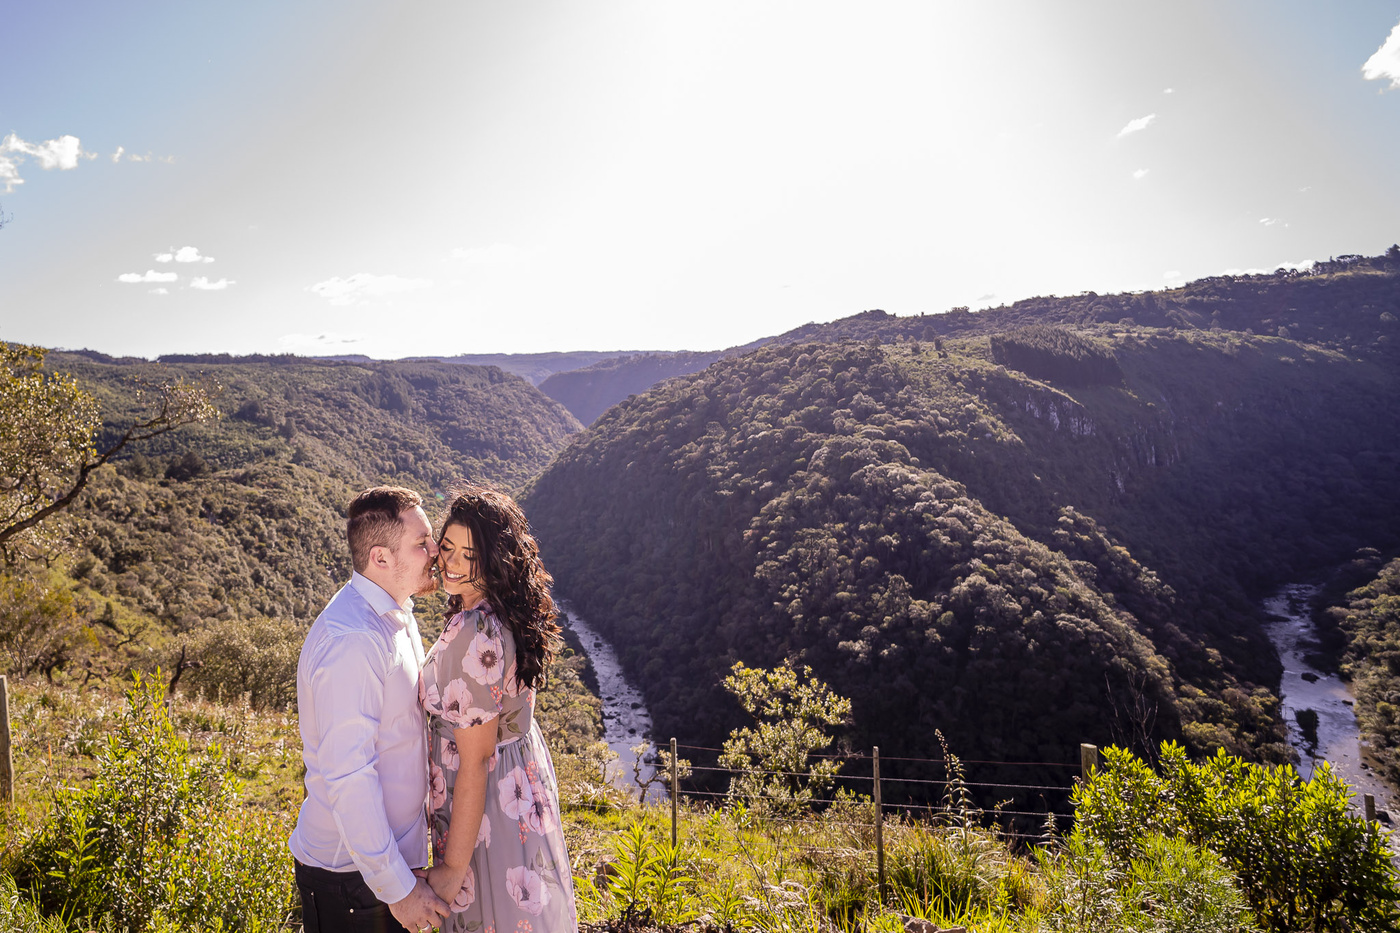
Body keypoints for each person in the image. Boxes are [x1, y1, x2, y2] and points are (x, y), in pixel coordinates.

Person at [290, 486, 451, 933]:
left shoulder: (395, 613)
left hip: (381, 867)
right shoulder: (353, 641)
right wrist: (398, 889)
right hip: (352, 879)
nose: (435, 551)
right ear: (380, 558)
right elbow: (349, 776)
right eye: (421, 543)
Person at [418, 483, 578, 931]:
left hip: (485, 802)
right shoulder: (503, 611)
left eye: (470, 555)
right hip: (516, 781)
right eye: (447, 547)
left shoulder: (476, 633)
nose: (452, 563)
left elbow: (475, 759)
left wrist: (452, 870)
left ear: (495, 560)